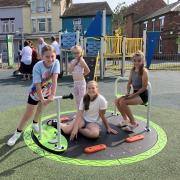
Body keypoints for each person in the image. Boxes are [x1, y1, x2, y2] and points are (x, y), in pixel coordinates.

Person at [7, 45, 60, 146]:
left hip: (47, 91)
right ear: (42, 56)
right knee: (28, 114)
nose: (50, 59)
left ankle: (35, 124)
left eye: (52, 56)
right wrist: (41, 98)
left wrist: (52, 95)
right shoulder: (37, 66)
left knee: (40, 110)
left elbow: (54, 80)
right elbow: (37, 84)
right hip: (36, 92)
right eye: (47, 56)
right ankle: (17, 133)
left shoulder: (56, 62)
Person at [115, 51, 149, 132]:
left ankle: (133, 123)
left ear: (142, 61)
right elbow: (129, 83)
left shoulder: (144, 71)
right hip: (135, 93)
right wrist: (128, 92)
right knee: (117, 101)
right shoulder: (132, 70)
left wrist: (132, 96)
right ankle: (126, 120)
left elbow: (144, 88)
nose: (136, 62)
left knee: (123, 102)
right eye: (135, 60)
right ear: (132, 61)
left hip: (142, 95)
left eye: (139, 61)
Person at [69, 45, 90, 110]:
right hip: (75, 82)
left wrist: (82, 75)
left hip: (81, 82)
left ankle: (83, 112)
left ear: (81, 53)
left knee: (82, 98)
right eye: (74, 53)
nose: (76, 54)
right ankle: (79, 112)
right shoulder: (73, 61)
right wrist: (72, 65)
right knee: (77, 99)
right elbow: (70, 71)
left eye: (78, 53)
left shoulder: (81, 61)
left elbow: (87, 70)